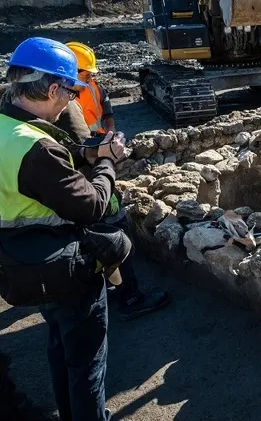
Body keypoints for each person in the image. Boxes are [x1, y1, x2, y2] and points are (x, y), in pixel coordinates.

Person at [0, 37, 127, 420]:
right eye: (70, 93)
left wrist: (85, 153)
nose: (70, 102)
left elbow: (36, 178)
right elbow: (92, 205)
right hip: (63, 269)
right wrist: (107, 162)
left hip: (22, 262)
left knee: (61, 348)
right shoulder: (36, 149)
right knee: (87, 364)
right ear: (51, 88)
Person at [59, 44, 171, 320]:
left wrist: (107, 135)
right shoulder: (66, 106)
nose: (87, 82)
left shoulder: (87, 90)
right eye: (84, 76)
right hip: (93, 176)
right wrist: (105, 158)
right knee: (115, 229)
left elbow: (105, 114)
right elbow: (81, 151)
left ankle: (112, 287)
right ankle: (129, 295)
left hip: (94, 162)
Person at [66, 41, 115, 135]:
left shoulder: (89, 85)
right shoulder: (56, 101)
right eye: (87, 75)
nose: (90, 79)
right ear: (71, 72)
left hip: (99, 139)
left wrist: (110, 126)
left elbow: (104, 98)